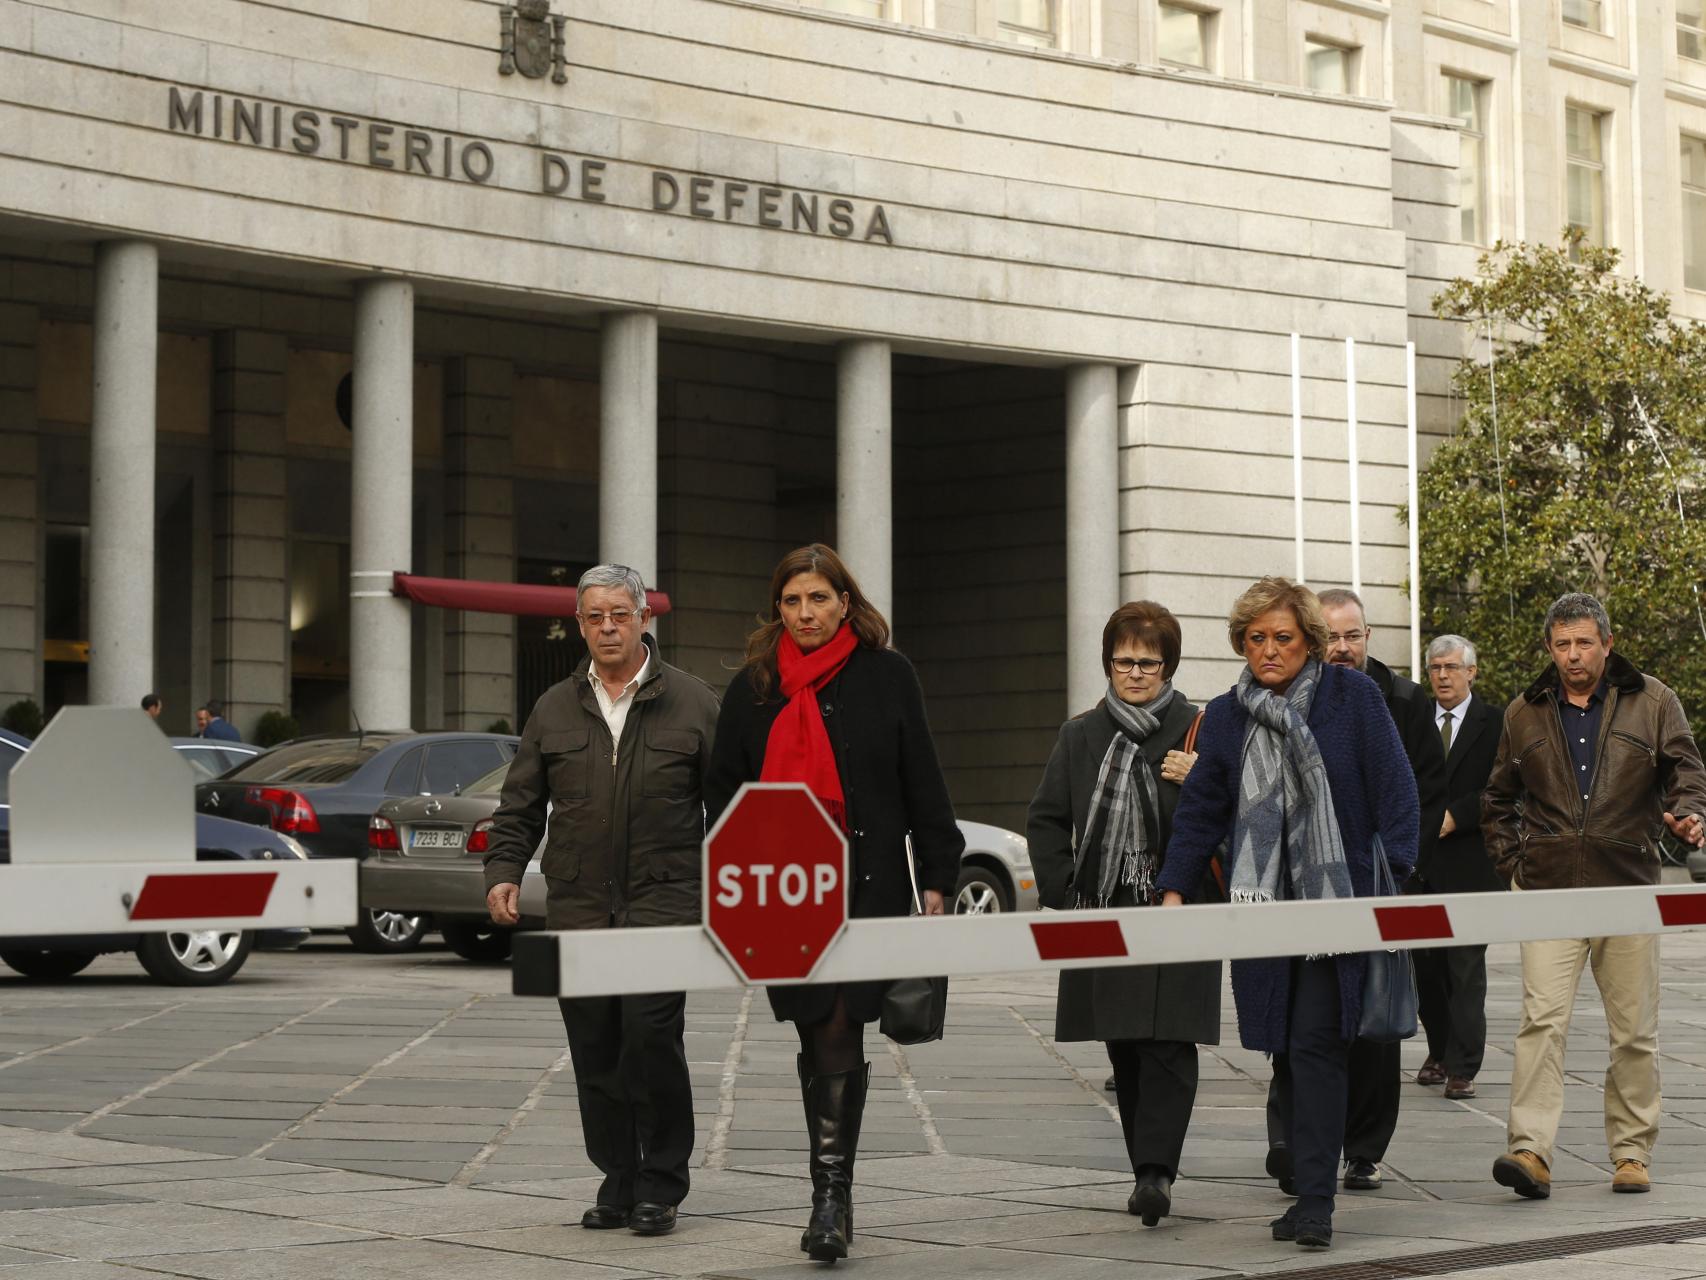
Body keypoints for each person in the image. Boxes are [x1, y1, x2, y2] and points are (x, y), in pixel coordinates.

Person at [705, 543, 962, 1264]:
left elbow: (922, 779)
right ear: (778, 609)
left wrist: (937, 875)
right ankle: (832, 1192)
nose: (805, 612)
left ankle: (830, 1198)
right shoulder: (755, 687)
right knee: (815, 1026)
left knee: (841, 1021)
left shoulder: (888, 675)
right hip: (785, 890)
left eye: (819, 598)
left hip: (869, 884)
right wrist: (742, 868)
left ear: (845, 603)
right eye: (792, 601)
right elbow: (722, 793)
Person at [1156, 576, 1418, 1251]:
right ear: (1240, 643)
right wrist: (1175, 887)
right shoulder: (1228, 714)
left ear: (1309, 640)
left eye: (1283, 637)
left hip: (1338, 907)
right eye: (1256, 638)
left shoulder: (1352, 698)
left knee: (1315, 1045)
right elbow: (1203, 808)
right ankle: (1307, 1189)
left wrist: (1392, 879)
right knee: (1288, 1053)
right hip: (1265, 911)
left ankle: (1316, 1203)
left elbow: (1396, 790)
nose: (1269, 650)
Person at [482, 564, 720, 1238]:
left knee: (651, 1039)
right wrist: (503, 870)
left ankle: (661, 1184)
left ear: (645, 618)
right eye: (595, 617)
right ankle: (617, 1179)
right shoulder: (554, 708)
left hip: (664, 903)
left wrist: (726, 893)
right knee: (594, 1047)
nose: (608, 627)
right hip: (579, 904)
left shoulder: (695, 703)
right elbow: (520, 804)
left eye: (620, 614)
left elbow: (733, 807)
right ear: (580, 624)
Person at [1484, 593, 1706, 1199]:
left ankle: (1632, 1152)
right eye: (1562, 645)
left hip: (1627, 888)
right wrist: (1515, 864)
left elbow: (1687, 771)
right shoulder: (1523, 712)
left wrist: (1689, 813)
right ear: (1549, 648)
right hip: (1547, 892)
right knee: (1540, 1023)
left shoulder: (1654, 701)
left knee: (1633, 1031)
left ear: (1607, 643)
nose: (1573, 655)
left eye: (1584, 643)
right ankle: (1530, 1150)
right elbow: (1497, 799)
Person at [1027, 601, 1221, 1228]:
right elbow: (1047, 818)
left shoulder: (1200, 730)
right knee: (1127, 1046)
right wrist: (1067, 893)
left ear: (1169, 666)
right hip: (1105, 909)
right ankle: (1145, 1167)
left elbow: (1237, 810)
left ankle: (1156, 1172)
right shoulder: (1080, 734)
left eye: (1148, 663)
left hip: (1180, 904)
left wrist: (1201, 780)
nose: (1135, 673)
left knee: (1170, 1041)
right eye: (1123, 661)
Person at [1259, 589, 1444, 1194]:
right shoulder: (1286, 697)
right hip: (1296, 889)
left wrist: (1396, 872)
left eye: (1352, 636)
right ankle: (1292, 1143)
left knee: (1371, 1023)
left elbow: (1417, 794)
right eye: (1332, 636)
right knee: (1298, 1022)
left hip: (1374, 886)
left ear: (1368, 637)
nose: (1341, 647)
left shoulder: (1402, 701)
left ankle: (1363, 1148)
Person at [1413, 634, 1502, 1100]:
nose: (1443, 676)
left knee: (1465, 969)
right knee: (1426, 970)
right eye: (1435, 668)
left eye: (1451, 667)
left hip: (1471, 865)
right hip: (1421, 867)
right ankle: (1440, 1051)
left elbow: (1504, 786)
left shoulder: (1497, 723)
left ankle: (1464, 1066)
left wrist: (1457, 816)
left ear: (1472, 672)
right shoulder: (1414, 719)